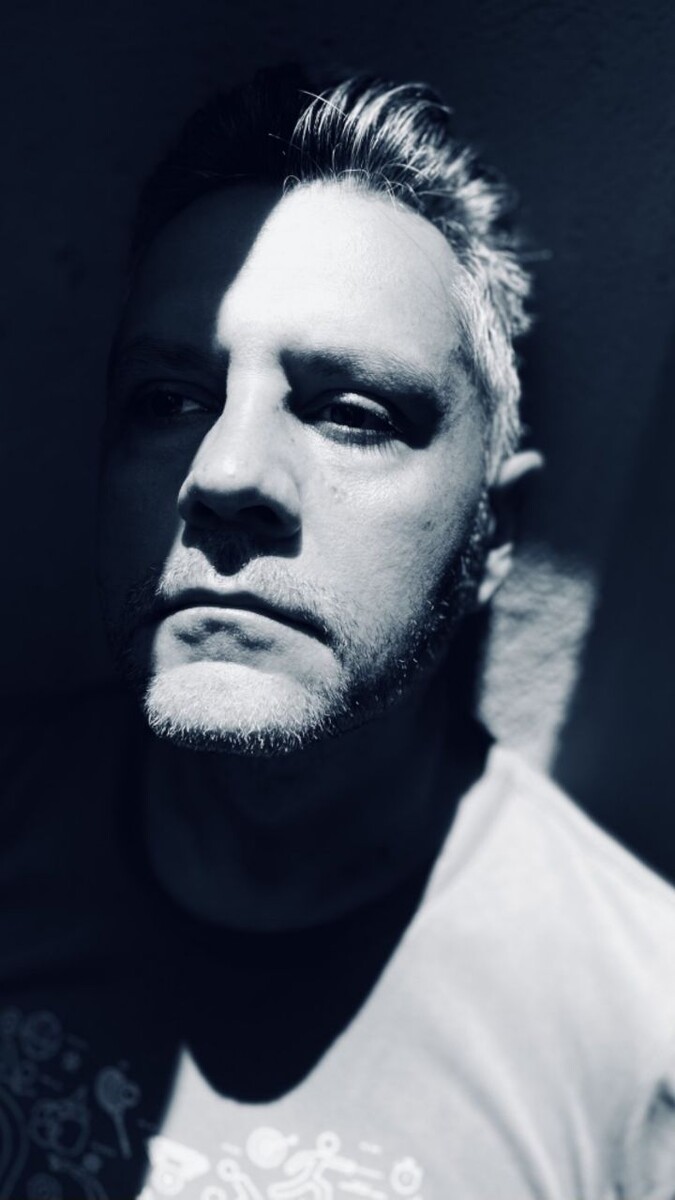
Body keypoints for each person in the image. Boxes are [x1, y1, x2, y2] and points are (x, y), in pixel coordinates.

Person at [2, 64, 675, 1200]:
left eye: (354, 413)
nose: (225, 472)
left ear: (495, 532)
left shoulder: (642, 1031)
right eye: (168, 400)